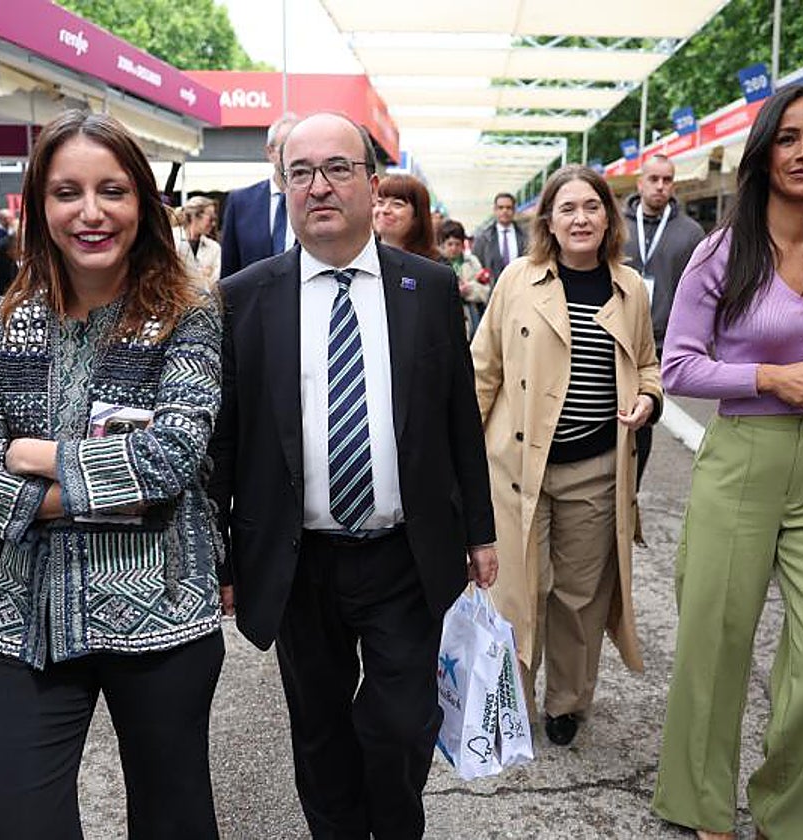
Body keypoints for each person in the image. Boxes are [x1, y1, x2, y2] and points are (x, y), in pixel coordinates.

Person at [208, 112, 498, 839]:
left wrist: (481, 532)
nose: (319, 186)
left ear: (371, 185)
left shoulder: (427, 290)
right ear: (284, 188)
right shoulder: (245, 297)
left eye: (338, 168)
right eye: (300, 172)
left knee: (400, 723)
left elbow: (459, 418)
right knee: (319, 729)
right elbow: (227, 438)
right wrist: (219, 555)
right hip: (297, 560)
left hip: (403, 553)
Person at [0, 110, 226, 839]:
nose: (91, 212)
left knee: (173, 819)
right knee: (14, 822)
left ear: (144, 205)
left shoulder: (186, 316)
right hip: (28, 614)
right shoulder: (2, 325)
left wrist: (34, 454)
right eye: (67, 192)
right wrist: (113, 489)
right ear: (39, 206)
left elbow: (171, 457)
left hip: (161, 613)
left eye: (113, 191)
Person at [651, 84, 803, 840]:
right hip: (744, 457)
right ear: (765, 152)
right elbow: (679, 366)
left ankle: (784, 811)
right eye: (789, 138)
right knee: (715, 648)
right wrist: (767, 376)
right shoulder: (719, 253)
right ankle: (701, 804)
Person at [471, 164, 660, 747]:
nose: (581, 218)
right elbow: (483, 370)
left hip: (596, 471)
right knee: (517, 590)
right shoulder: (516, 280)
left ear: (609, 217)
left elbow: (649, 366)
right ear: (548, 220)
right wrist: (457, 462)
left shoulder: (630, 289)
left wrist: (649, 398)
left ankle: (567, 703)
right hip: (517, 468)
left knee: (580, 596)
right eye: (568, 208)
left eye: (592, 207)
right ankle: (508, 703)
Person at [622, 153, 705, 487]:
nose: (660, 186)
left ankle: (631, 492)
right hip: (614, 333)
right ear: (639, 183)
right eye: (653, 179)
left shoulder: (690, 233)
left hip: (659, 342)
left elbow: (699, 292)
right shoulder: (616, 225)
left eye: (667, 180)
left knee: (644, 412)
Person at [220, 112, 299, 278]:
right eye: (286, 146)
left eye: (299, 146)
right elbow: (229, 270)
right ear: (270, 152)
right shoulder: (240, 202)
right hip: (252, 302)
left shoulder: (316, 199)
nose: (294, 154)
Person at [438, 219, 490, 337]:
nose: (454, 248)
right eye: (450, 244)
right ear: (442, 244)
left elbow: (486, 291)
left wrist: (469, 290)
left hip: (473, 317)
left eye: (457, 244)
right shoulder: (436, 264)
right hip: (446, 320)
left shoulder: (472, 262)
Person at [373, 173, 439, 260]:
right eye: (380, 202)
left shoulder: (435, 269)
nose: (385, 210)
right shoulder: (358, 257)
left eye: (397, 204)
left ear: (417, 215)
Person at [472, 192, 527, 280]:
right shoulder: (483, 238)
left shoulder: (525, 236)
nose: (504, 211)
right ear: (495, 210)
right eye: (500, 207)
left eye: (508, 208)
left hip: (520, 286)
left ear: (514, 210)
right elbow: (476, 264)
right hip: (493, 289)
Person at [180, 195, 222, 289]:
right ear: (195, 216)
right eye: (211, 219)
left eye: (215, 220)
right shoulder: (172, 240)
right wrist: (202, 276)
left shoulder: (214, 248)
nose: (213, 224)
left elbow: (214, 283)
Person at [0, 208, 19, 297]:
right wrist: (10, 235)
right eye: (9, 218)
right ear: (2, 219)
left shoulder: (9, 233)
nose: (11, 221)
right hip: (2, 273)